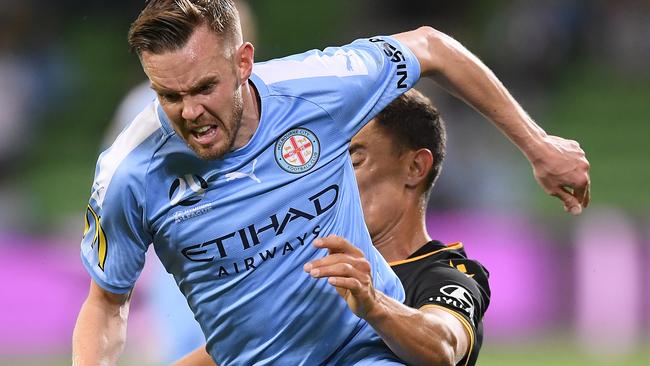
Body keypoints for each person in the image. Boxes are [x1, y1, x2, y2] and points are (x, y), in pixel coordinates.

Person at [72, 1, 590, 365]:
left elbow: (431, 47)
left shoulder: (318, 88)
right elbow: (105, 302)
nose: (190, 112)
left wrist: (538, 146)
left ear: (243, 62)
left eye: (205, 87)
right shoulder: (130, 172)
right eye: (168, 95)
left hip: (369, 346)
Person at [175, 89, 490, 366]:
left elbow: (444, 348)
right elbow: (242, 350)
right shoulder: (309, 266)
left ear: (415, 167)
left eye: (353, 160)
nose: (334, 179)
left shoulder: (447, 275)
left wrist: (373, 304)